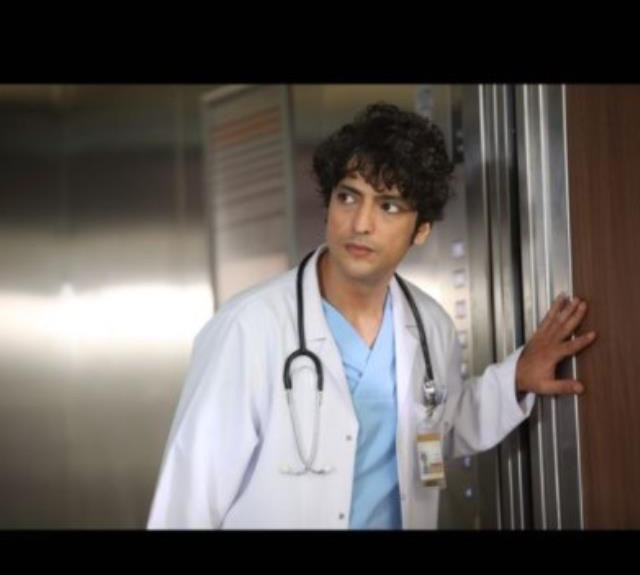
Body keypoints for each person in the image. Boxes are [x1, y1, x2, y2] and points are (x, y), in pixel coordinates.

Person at [148, 103, 596, 530]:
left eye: (389, 206)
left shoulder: (430, 326)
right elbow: (188, 497)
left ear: (421, 230)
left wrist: (517, 377)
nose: (361, 223)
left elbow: (439, 428)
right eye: (348, 197)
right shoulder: (248, 327)